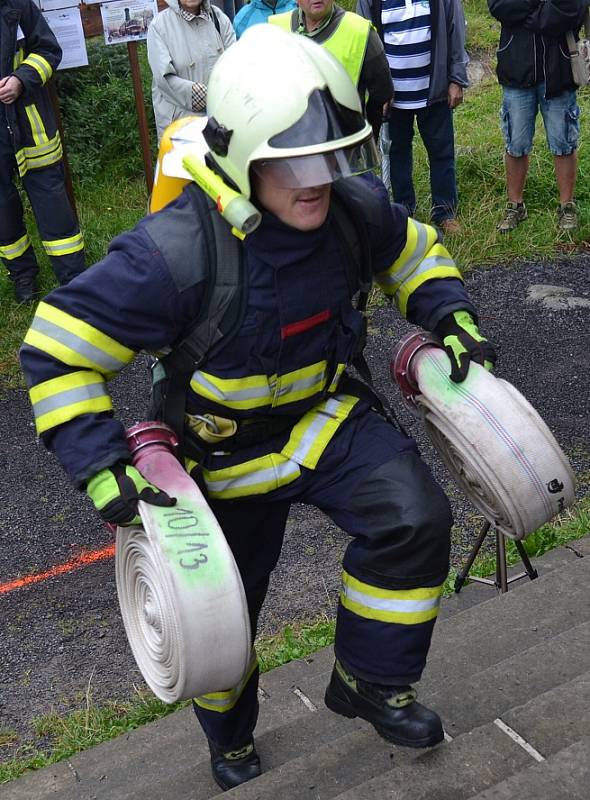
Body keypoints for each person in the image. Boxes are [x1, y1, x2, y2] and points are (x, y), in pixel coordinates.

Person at [20, 25, 496, 792]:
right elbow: (57, 349)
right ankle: (231, 737)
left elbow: (412, 253)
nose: (319, 179)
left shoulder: (353, 207)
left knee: (415, 519)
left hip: (324, 421)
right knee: (220, 622)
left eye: (334, 155)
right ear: (241, 159)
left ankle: (370, 680)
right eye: (295, 163)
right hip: (219, 456)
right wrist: (100, 461)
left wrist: (447, 311)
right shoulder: (169, 255)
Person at [357, 0, 468, 235]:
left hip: (434, 91)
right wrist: (379, 91)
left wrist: (456, 79)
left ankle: (445, 212)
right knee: (397, 153)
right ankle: (404, 212)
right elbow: (364, 39)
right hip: (392, 97)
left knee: (442, 152)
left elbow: (455, 28)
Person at [0, 0, 85, 303]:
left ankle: (73, 277)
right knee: (3, 209)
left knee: (52, 202)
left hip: (29, 126)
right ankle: (23, 276)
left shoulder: (18, 5)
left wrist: (22, 79)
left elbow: (49, 50)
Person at [488, 0, 586, 233]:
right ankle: (515, 205)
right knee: (516, 143)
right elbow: (499, 6)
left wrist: (534, 19)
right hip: (516, 69)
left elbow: (574, 9)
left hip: (559, 69)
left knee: (563, 142)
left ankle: (566, 206)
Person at [269, 0, 393, 139]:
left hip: (343, 151)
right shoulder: (274, 29)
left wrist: (364, 142)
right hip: (289, 150)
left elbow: (382, 94)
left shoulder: (360, 32)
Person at [147, 0, 235, 142]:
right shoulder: (159, 26)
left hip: (222, 126)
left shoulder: (219, 18)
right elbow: (164, 80)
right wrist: (209, 96)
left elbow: (235, 66)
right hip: (182, 132)